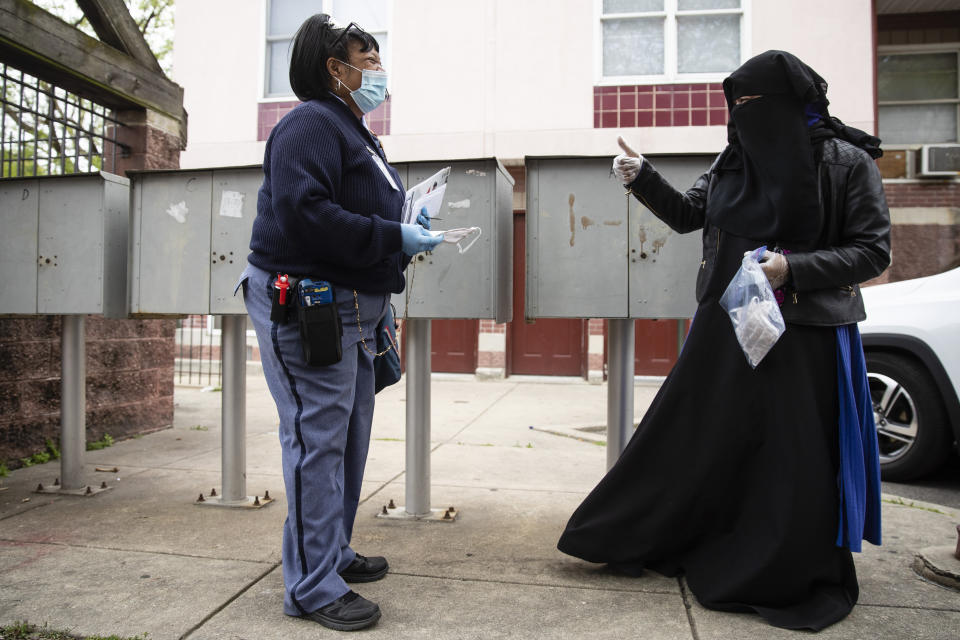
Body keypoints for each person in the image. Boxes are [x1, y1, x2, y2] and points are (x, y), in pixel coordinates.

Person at [557, 50, 890, 631]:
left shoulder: (845, 161)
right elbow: (689, 216)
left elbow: (872, 249)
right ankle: (658, 534)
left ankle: (777, 565)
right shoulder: (734, 159)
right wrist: (643, 178)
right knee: (696, 437)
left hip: (804, 331)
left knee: (789, 455)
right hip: (726, 323)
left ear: (795, 101)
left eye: (754, 103)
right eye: (735, 104)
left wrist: (794, 268)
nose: (743, 114)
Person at [236, 14, 441, 632]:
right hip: (310, 307)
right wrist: (393, 234)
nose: (377, 69)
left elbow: (349, 210)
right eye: (367, 58)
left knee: (346, 436)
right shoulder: (307, 124)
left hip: (352, 307)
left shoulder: (350, 129)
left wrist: (404, 231)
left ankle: (331, 553)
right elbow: (305, 215)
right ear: (336, 67)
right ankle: (309, 587)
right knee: (315, 442)